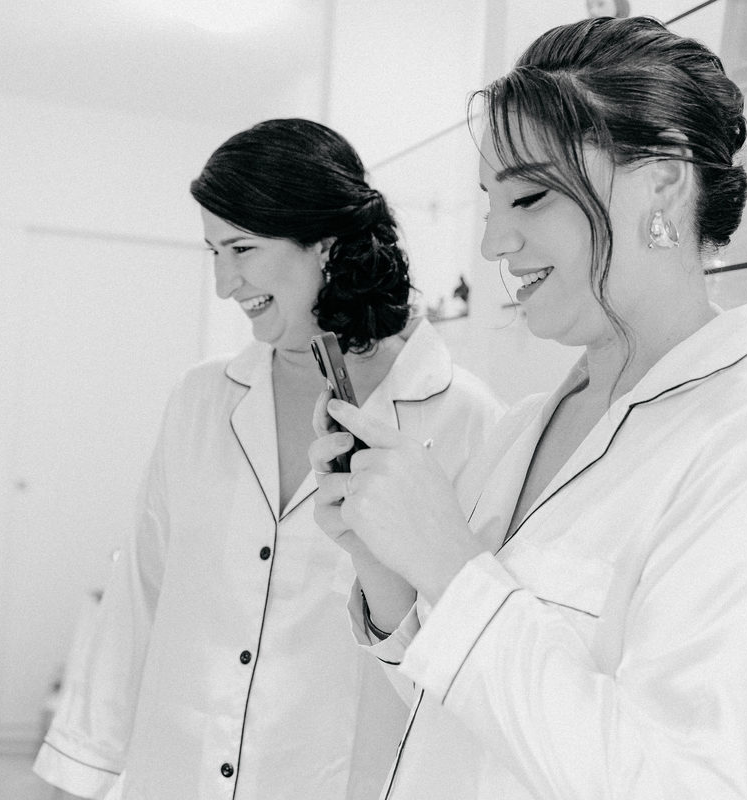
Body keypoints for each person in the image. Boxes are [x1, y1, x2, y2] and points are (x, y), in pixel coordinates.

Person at [310, 17, 747, 800]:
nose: (493, 244)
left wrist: (449, 560)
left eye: (531, 196)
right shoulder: (528, 429)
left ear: (665, 183)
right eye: (489, 202)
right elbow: (475, 717)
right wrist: (391, 577)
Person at [32, 118, 504, 800]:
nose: (226, 283)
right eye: (213, 252)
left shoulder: (463, 419)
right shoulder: (201, 399)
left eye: (242, 248)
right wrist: (80, 773)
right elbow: (141, 589)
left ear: (324, 244)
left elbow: (462, 654)